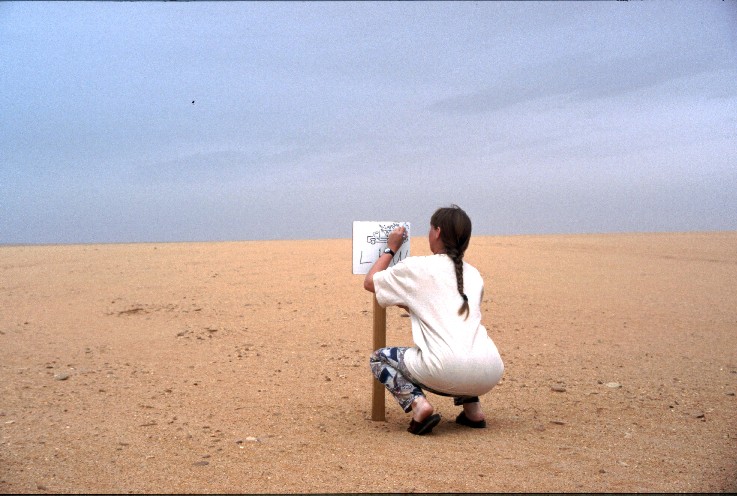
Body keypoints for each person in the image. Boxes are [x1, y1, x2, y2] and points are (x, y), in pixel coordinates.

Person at [364, 205, 504, 435]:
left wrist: (391, 248)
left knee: (379, 359)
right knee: (460, 339)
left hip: (446, 369)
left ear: (437, 232)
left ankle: (419, 405)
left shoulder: (418, 267)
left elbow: (371, 282)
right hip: (490, 370)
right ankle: (473, 411)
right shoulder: (474, 274)